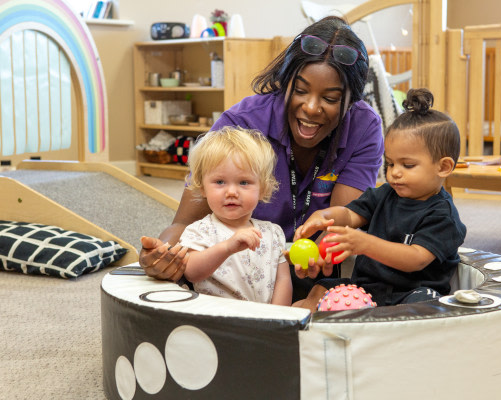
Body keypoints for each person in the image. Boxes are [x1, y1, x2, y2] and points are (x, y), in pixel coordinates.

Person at [140, 16, 385, 302]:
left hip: (312, 266)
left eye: (330, 98)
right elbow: (184, 223)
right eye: (300, 90)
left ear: (351, 101)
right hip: (237, 268)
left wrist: (322, 262)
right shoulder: (239, 123)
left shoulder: (364, 127)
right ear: (285, 83)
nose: (311, 107)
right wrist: (159, 256)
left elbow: (341, 221)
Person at [292, 88, 467, 311]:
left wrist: (365, 244)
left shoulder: (443, 216)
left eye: (408, 165)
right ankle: (296, 324)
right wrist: (323, 216)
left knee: (429, 303)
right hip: (366, 288)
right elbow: (348, 215)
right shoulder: (385, 194)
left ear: (443, 167)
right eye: (391, 163)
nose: (394, 172)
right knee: (321, 288)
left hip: (410, 293)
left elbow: (415, 259)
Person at [144, 126, 292, 306]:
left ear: (263, 189)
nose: (231, 192)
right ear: (202, 187)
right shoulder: (199, 231)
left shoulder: (272, 232)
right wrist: (228, 247)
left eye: (244, 182)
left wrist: (279, 316)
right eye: (220, 182)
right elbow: (191, 272)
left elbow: (283, 280)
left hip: (266, 321)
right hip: (219, 321)